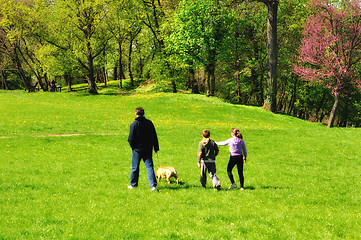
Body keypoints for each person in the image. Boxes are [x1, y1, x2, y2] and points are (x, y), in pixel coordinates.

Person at [128, 107, 159, 191]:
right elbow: (154, 136)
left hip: (137, 150)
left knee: (135, 167)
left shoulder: (133, 124)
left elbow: (130, 138)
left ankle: (133, 184)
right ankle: (153, 185)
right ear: (143, 113)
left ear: (136, 114)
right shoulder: (149, 123)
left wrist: (133, 147)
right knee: (149, 167)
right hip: (148, 149)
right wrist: (156, 147)